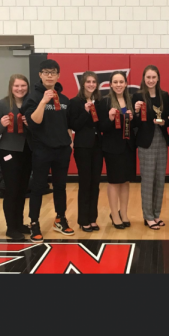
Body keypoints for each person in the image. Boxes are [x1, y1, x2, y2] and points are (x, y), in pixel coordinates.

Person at [23, 59, 75, 243]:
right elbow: (33, 121)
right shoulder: (33, 97)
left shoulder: (65, 99)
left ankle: (60, 219)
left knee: (60, 187)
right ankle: (34, 222)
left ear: (58, 75)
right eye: (46, 72)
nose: (50, 75)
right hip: (41, 150)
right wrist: (44, 102)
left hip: (62, 150)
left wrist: (70, 142)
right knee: (38, 187)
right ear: (40, 75)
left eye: (53, 72)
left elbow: (67, 124)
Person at [0, 74, 32, 242]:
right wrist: (2, 124)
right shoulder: (2, 104)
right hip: (9, 151)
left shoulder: (31, 104)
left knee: (22, 189)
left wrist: (32, 124)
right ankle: (11, 228)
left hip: (27, 151)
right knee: (12, 189)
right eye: (17, 86)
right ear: (11, 87)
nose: (20, 89)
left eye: (23, 86)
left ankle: (19, 223)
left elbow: (40, 128)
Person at [133, 65, 169, 231]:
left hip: (161, 140)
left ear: (158, 78)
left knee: (160, 180)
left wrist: (167, 122)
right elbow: (134, 123)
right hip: (146, 142)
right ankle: (148, 216)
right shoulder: (138, 96)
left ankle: (156, 214)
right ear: (143, 78)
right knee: (148, 181)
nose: (150, 80)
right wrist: (135, 112)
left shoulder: (164, 95)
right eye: (148, 77)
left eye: (153, 77)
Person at [97, 71, 136, 230]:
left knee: (125, 181)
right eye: (115, 82)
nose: (119, 85)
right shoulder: (104, 102)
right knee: (114, 181)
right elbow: (100, 127)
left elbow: (137, 125)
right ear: (110, 84)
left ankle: (124, 213)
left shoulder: (131, 100)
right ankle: (114, 214)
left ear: (126, 84)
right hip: (112, 147)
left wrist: (133, 119)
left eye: (121, 82)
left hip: (128, 146)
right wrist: (111, 118)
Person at [69, 71, 103, 233]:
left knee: (95, 183)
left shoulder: (100, 101)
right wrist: (85, 111)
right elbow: (74, 126)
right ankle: (83, 219)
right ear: (83, 83)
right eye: (88, 81)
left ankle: (93, 218)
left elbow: (101, 124)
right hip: (82, 147)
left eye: (94, 82)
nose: (91, 84)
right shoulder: (75, 102)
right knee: (85, 183)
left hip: (97, 147)